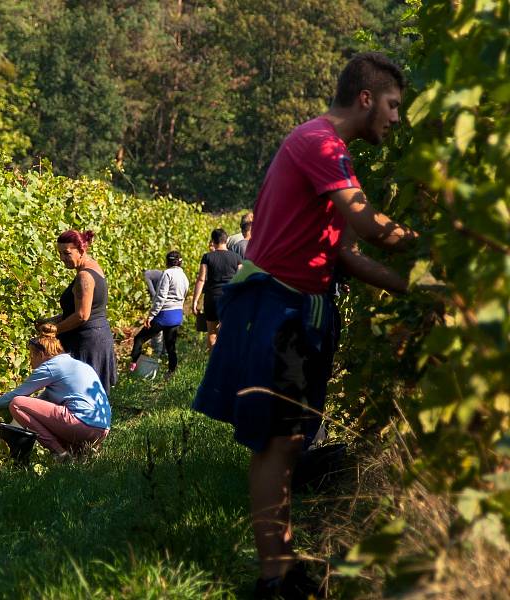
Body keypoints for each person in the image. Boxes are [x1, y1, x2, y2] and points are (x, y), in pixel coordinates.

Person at [192, 52, 418, 599]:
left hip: (297, 310)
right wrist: (447, 247)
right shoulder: (321, 144)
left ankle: (284, 568)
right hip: (278, 309)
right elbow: (366, 223)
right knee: (277, 442)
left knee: (289, 441)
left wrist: (419, 289)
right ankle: (277, 578)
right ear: (366, 98)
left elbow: (345, 256)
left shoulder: (329, 155)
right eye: (392, 106)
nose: (396, 118)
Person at [0, 324, 111, 460]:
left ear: (41, 354)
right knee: (33, 410)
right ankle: (79, 451)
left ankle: (60, 453)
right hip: (101, 431)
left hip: (81, 426)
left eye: (32, 356)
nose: (31, 362)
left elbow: (17, 396)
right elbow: (39, 406)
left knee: (17, 404)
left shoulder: (50, 367)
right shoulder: (75, 364)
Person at [39, 229, 117, 393]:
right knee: (92, 396)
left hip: (88, 343)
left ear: (81, 250)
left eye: (66, 253)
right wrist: (52, 320)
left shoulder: (84, 277)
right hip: (96, 337)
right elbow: (80, 310)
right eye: (59, 253)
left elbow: (82, 315)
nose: (62, 258)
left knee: (84, 395)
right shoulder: (94, 267)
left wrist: (54, 330)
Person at [129, 251, 190, 377]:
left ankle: (133, 366)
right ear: (180, 261)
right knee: (170, 346)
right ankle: (171, 373)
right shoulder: (184, 276)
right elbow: (185, 293)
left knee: (139, 338)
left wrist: (151, 316)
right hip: (177, 314)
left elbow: (161, 296)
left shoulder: (167, 273)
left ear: (167, 262)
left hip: (164, 315)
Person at [191, 229, 242, 349]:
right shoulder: (236, 257)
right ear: (227, 240)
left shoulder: (207, 257)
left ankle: (212, 364)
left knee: (212, 332)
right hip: (230, 298)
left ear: (213, 241)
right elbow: (241, 280)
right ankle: (227, 362)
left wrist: (195, 301)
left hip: (212, 298)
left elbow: (201, 279)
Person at [143, 268, 165, 355]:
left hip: (160, 302)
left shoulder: (146, 275)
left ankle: (157, 353)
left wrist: (154, 307)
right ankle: (163, 352)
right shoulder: (155, 273)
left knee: (157, 328)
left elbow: (153, 292)